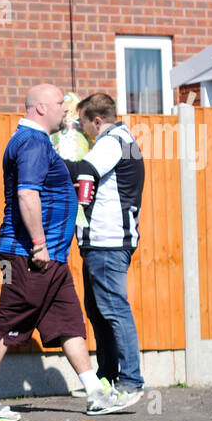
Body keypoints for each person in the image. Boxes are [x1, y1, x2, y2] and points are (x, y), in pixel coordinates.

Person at [0, 84, 136, 421]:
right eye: (60, 104)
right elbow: (27, 195)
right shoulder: (32, 143)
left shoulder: (37, 142)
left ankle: (95, 392)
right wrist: (39, 244)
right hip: (27, 255)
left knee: (69, 322)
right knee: (9, 319)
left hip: (51, 256)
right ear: (40, 107)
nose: (67, 111)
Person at [73, 92, 147, 405]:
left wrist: (52, 160)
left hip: (107, 240)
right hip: (108, 240)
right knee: (99, 310)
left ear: (97, 120)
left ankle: (130, 381)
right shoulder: (125, 139)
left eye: (83, 123)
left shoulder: (111, 141)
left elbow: (84, 171)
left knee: (114, 309)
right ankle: (108, 375)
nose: (81, 129)